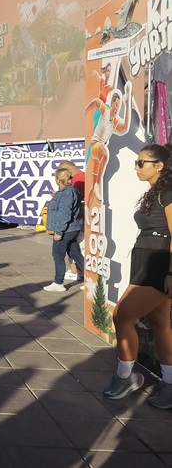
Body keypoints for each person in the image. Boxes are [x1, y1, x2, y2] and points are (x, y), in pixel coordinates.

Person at [103, 144, 172, 408]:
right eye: (136, 162)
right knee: (159, 322)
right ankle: (169, 384)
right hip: (147, 260)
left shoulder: (168, 191)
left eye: (141, 162)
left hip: (159, 264)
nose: (136, 167)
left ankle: (126, 377)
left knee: (122, 316)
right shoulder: (156, 192)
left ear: (159, 166)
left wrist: (170, 272)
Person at [85, 81, 133, 219]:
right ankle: (97, 186)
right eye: (116, 105)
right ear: (112, 103)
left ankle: (87, 207)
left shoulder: (115, 122)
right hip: (95, 146)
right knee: (105, 153)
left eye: (119, 106)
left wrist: (127, 103)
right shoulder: (105, 112)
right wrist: (86, 109)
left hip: (98, 154)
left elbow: (125, 128)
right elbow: (96, 101)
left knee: (93, 184)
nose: (117, 108)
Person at [43, 168, 84, 292]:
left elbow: (64, 213)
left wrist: (59, 232)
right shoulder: (70, 191)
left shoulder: (67, 193)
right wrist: (56, 195)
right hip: (72, 229)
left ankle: (58, 283)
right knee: (75, 254)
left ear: (58, 180)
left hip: (65, 230)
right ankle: (91, 278)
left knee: (58, 255)